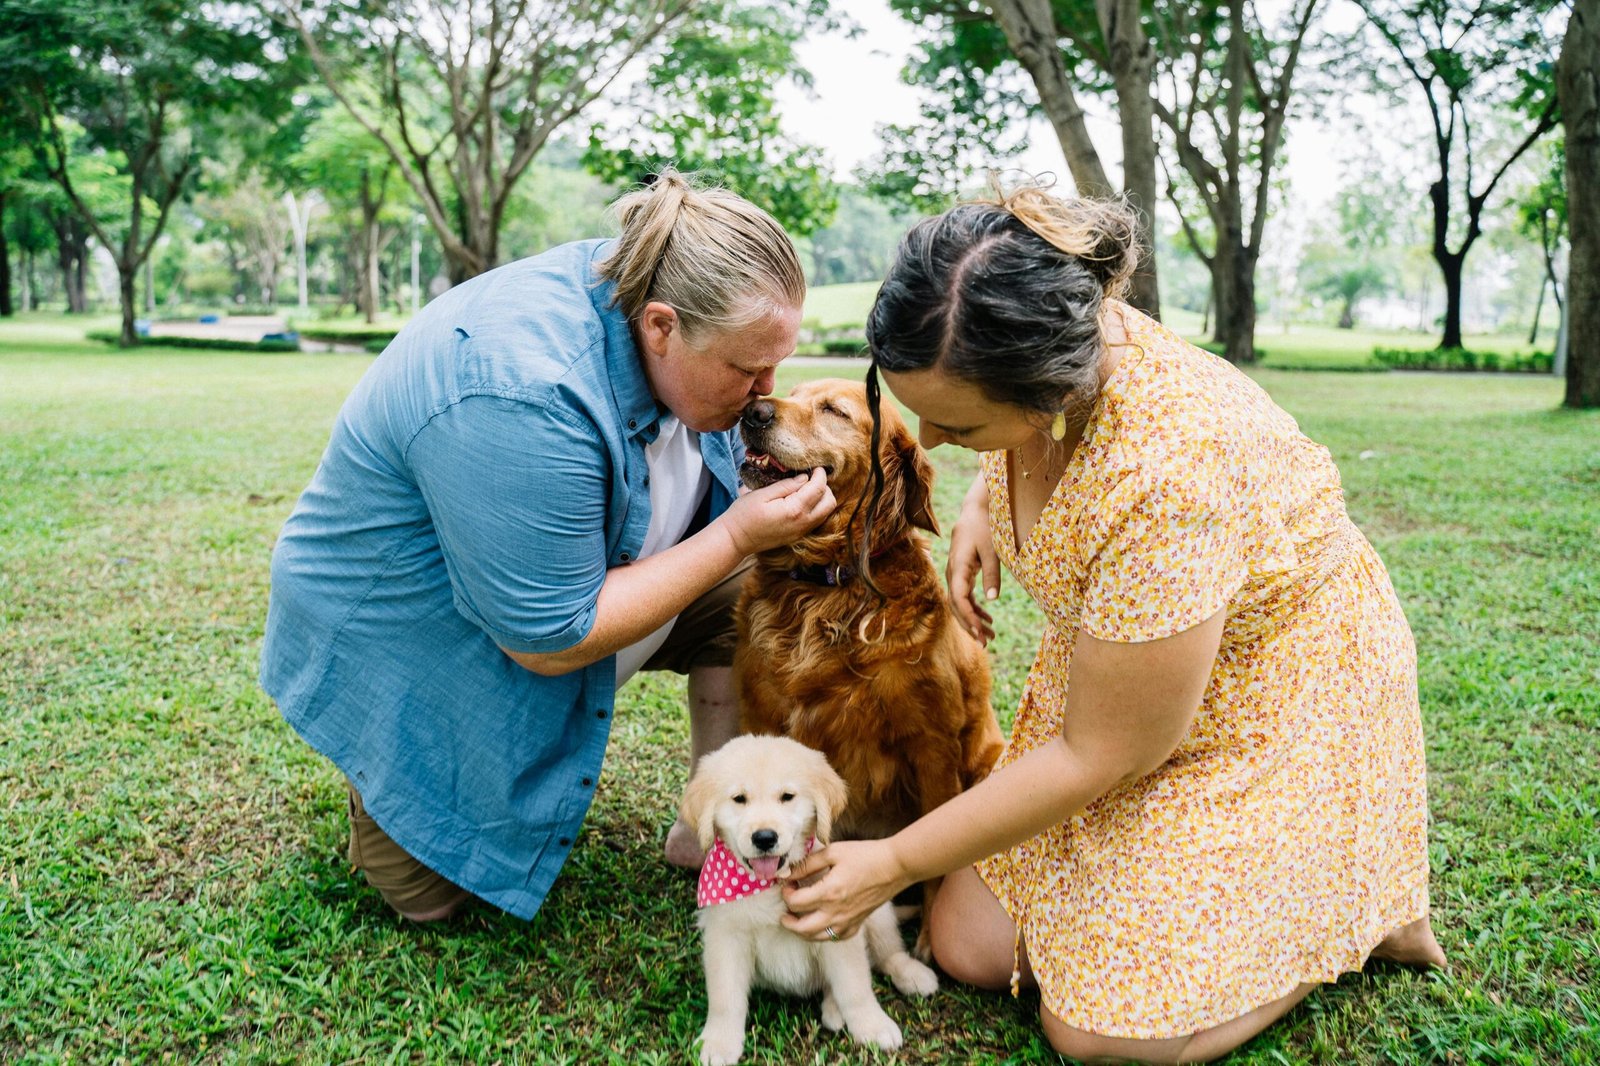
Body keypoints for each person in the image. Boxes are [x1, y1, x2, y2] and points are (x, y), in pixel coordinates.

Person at [779, 181, 1446, 1063]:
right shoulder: (1051, 321)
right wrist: (986, 496)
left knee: (1099, 1033)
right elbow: (1012, 429)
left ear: (1045, 395)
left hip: (1278, 691)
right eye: (918, 410)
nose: (930, 443)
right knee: (970, 946)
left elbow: (1102, 753)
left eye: (959, 423)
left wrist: (892, 861)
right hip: (1134, 670)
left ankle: (1350, 919)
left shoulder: (1172, 479)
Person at [260, 171, 835, 924]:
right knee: (438, 902)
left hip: (577, 582)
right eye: (745, 368)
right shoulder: (523, 390)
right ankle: (399, 758)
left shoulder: (656, 290)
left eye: (777, 362)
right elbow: (549, 640)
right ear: (660, 327)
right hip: (419, 632)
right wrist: (734, 535)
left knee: (761, 595)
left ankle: (718, 821)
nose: (766, 391)